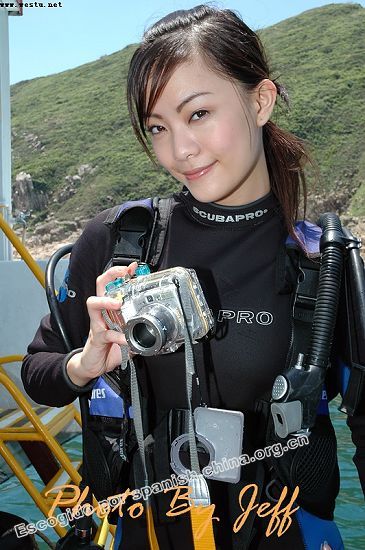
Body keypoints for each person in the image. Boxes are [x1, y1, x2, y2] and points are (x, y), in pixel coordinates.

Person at [21, 5, 364, 550]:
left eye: (198, 113)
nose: (180, 150)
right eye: (158, 127)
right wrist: (86, 365)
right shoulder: (117, 241)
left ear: (260, 101)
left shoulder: (322, 266)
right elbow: (38, 373)